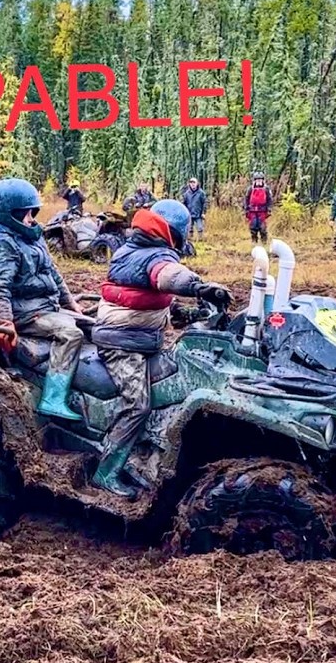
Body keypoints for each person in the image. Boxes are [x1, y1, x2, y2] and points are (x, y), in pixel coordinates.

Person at [89, 200, 231, 497]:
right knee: (138, 405)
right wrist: (199, 287)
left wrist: (192, 313)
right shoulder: (152, 255)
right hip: (121, 345)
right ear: (176, 234)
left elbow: (153, 298)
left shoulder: (134, 248)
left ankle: (141, 455)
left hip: (137, 339)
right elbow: (167, 275)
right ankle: (106, 472)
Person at [0, 178, 85, 421]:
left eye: (32, 212)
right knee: (71, 334)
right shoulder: (3, 242)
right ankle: (53, 398)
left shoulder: (32, 237)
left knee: (92, 325)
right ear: (8, 214)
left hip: (44, 306)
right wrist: (4, 321)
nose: (30, 219)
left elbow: (53, 273)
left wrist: (72, 305)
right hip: (23, 312)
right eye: (24, 214)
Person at [243, 171, 272, 245]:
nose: (259, 181)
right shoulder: (250, 189)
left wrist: (269, 209)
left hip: (262, 211)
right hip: (252, 211)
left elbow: (269, 200)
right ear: (254, 181)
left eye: (260, 180)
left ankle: (264, 242)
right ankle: (254, 241)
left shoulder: (266, 189)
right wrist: (246, 209)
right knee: (253, 227)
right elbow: (246, 199)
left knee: (262, 227)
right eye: (257, 180)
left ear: (263, 180)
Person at [180, 177, 207, 243]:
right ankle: (190, 240)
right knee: (190, 228)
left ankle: (200, 240)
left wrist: (203, 212)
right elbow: (183, 204)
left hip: (198, 214)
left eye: (194, 182)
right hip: (189, 214)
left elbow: (205, 203)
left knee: (200, 228)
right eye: (191, 183)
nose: (192, 184)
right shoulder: (186, 194)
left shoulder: (201, 193)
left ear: (197, 183)